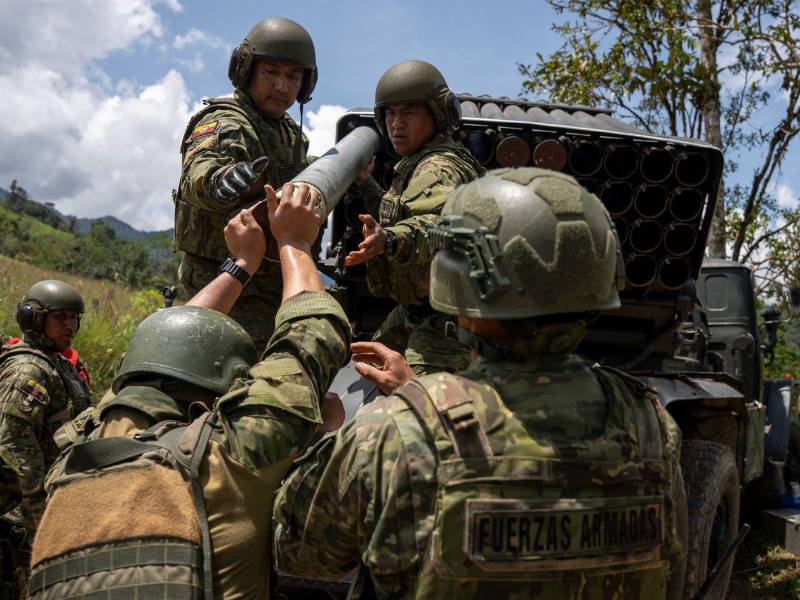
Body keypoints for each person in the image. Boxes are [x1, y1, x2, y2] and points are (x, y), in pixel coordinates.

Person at [274, 168, 688, 599]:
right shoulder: (649, 423)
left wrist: (416, 410)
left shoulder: (391, 434)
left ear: (461, 292)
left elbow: (301, 551)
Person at [28, 182, 350, 600]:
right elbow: (312, 332)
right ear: (218, 396)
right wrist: (294, 240)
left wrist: (240, 263)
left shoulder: (81, 455)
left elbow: (154, 359)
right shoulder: (234, 458)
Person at [174, 16, 321, 353]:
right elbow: (201, 172)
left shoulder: (290, 134)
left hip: (270, 280)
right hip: (225, 280)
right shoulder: (228, 121)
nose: (282, 86)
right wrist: (223, 180)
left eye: (292, 76)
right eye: (271, 72)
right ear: (246, 69)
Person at [347, 60, 483, 375]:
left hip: (447, 324)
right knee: (363, 367)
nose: (397, 124)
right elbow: (409, 210)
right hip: (421, 312)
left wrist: (390, 239)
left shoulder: (438, 167)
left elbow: (433, 225)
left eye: (408, 113)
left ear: (436, 116)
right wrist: (367, 185)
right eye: (390, 114)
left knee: (416, 409)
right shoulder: (420, 161)